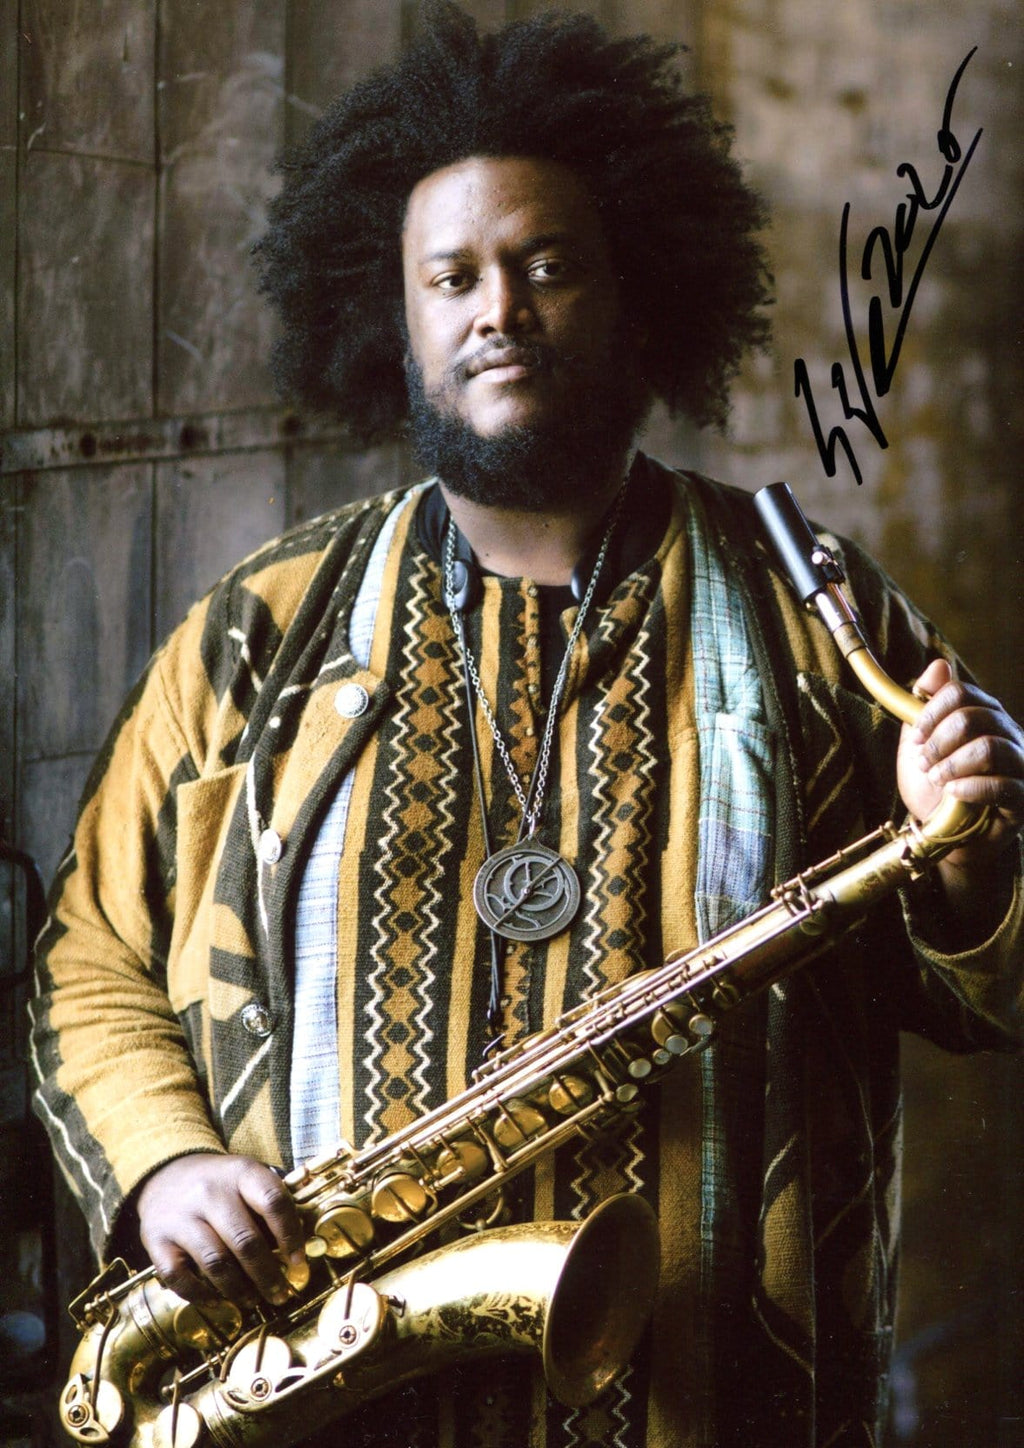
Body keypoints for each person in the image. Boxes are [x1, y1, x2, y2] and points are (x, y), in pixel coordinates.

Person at [29, 5, 1024, 1446]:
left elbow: (984, 991)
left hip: (724, 1399)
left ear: (635, 295)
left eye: (546, 265)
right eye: (452, 278)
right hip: (337, 1398)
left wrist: (974, 855)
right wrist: (164, 1163)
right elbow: (91, 952)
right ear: (399, 323)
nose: (498, 308)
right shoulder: (259, 628)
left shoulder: (819, 612)